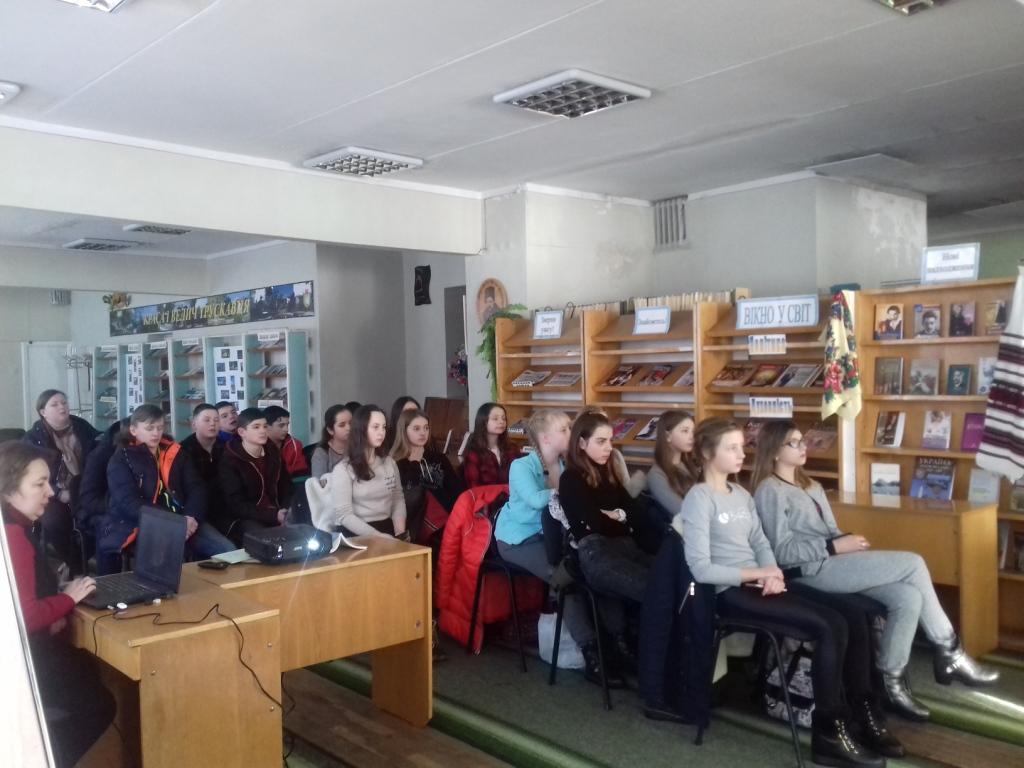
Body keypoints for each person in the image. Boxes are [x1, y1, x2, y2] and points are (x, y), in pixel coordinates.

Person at [752, 420, 999, 722]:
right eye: (794, 442)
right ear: (775, 451)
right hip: (807, 572)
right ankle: (950, 651)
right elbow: (782, 552)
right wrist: (833, 547)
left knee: (908, 597)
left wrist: (848, 542)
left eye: (803, 440)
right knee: (913, 563)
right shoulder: (770, 490)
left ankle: (890, 684)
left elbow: (831, 532)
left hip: (833, 563)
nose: (804, 447)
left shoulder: (811, 485)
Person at [678, 418, 886, 767]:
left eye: (741, 446)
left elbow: (761, 542)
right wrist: (757, 574)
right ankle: (828, 734)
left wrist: (772, 572)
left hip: (761, 583)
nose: (741, 453)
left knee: (849, 614)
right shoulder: (699, 498)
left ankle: (856, 712)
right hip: (728, 592)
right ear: (707, 453)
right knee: (828, 626)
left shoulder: (741, 494)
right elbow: (701, 569)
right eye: (731, 448)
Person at [1, 441, 115, 766]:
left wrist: (57, 591)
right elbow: (25, 616)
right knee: (98, 704)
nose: (50, 492)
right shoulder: (13, 535)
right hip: (27, 661)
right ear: (9, 490)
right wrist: (68, 598)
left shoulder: (13, 525)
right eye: (39, 484)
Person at [494, 410, 619, 686]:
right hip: (519, 539)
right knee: (563, 576)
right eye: (564, 430)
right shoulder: (521, 466)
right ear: (545, 438)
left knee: (593, 567)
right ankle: (590, 652)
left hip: (553, 538)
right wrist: (570, 492)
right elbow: (535, 500)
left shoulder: (565, 466)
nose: (571, 434)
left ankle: (613, 641)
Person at [558, 412, 654, 674]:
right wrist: (622, 519)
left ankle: (642, 650)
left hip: (626, 547)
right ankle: (639, 655)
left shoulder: (607, 474)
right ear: (581, 443)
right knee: (655, 590)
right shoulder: (571, 479)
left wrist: (617, 515)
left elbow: (637, 514)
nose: (609, 448)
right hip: (597, 554)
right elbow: (595, 524)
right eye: (601, 441)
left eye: (610, 441)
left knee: (674, 579)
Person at [102, 405, 233, 571]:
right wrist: (174, 522)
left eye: (160, 427)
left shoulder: (175, 452)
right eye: (149, 428)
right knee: (173, 565)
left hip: (185, 519)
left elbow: (196, 487)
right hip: (145, 522)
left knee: (228, 551)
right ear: (133, 430)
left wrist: (191, 517)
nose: (156, 433)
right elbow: (129, 503)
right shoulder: (121, 459)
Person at [22, 389, 101, 569]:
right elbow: (29, 474)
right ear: (43, 412)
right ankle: (75, 565)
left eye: (64, 403)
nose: (62, 407)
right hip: (50, 492)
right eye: (55, 404)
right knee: (54, 522)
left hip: (82, 487)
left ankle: (75, 563)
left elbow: (99, 446)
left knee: (98, 518)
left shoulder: (81, 426)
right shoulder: (34, 438)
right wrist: (58, 492)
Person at [328, 404, 407, 538]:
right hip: (356, 533)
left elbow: (397, 498)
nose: (381, 432)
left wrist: (399, 532)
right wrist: (378, 537)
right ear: (361, 429)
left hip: (386, 528)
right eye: (375, 427)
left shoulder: (389, 462)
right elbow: (344, 515)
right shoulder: (343, 469)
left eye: (383, 427)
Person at [218, 408, 293, 544]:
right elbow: (236, 505)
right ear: (242, 432)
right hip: (245, 517)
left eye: (265, 426)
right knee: (265, 539)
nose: (262, 431)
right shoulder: (230, 459)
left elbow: (286, 486)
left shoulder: (272, 452)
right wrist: (273, 515)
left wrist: (286, 510)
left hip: (277, 510)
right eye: (256, 427)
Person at [390, 409, 464, 543]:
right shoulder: (396, 462)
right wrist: (414, 463)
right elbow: (408, 496)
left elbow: (456, 491)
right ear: (404, 431)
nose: (423, 433)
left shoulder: (439, 458)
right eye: (416, 429)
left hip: (447, 522)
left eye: (426, 428)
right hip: (415, 526)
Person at [77, 417, 131, 574]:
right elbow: (88, 499)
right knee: (108, 529)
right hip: (99, 510)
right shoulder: (100, 456)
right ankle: (107, 581)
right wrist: (115, 507)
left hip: (128, 507)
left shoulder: (148, 451)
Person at [646, 410, 699, 522]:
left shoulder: (691, 466)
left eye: (693, 431)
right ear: (668, 436)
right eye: (685, 431)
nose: (692, 437)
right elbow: (681, 511)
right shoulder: (656, 475)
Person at [461, 402, 521, 487]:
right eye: (495, 419)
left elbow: (521, 478)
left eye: (503, 418)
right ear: (483, 421)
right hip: (485, 495)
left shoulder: (512, 448)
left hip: (512, 494)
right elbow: (474, 487)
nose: (501, 422)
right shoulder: (473, 453)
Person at [263, 405, 309, 477]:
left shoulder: (295, 445)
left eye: (287, 425)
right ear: (267, 426)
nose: (286, 429)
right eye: (281, 426)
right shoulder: (258, 446)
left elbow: (301, 473)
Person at [310, 404, 352, 478]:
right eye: (342, 425)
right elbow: (319, 482)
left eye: (351, 423)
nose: (349, 428)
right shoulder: (321, 453)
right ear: (330, 430)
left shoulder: (360, 448)